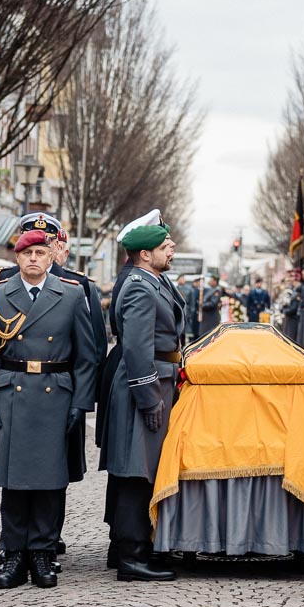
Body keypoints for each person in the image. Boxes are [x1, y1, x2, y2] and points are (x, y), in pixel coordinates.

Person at [0, 229, 98, 589]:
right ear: (17, 258)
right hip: (11, 393)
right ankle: (14, 553)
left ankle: (42, 552)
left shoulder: (71, 295)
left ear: (51, 257)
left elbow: (86, 357)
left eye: (41, 253)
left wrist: (79, 403)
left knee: (49, 480)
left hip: (55, 394)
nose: (33, 259)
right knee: (13, 481)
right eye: (27, 254)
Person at [100, 221, 185, 582]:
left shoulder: (152, 282)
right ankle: (132, 555)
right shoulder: (140, 288)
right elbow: (136, 349)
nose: (173, 249)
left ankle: (124, 547)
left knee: (137, 466)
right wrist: (150, 399)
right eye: (166, 245)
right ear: (145, 254)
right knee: (137, 469)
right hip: (145, 385)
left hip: (154, 381)